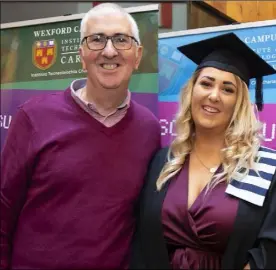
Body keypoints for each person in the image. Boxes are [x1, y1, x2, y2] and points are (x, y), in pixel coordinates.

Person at [1, 3, 161, 270]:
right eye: (96, 40)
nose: (109, 51)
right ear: (81, 54)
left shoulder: (148, 129)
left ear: (137, 55)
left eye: (122, 40)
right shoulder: (33, 117)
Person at [130, 32, 276, 270]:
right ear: (192, 91)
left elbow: (270, 248)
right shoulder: (164, 161)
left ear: (239, 103)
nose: (214, 95)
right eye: (206, 83)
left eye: (228, 89)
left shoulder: (262, 167)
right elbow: (144, 241)